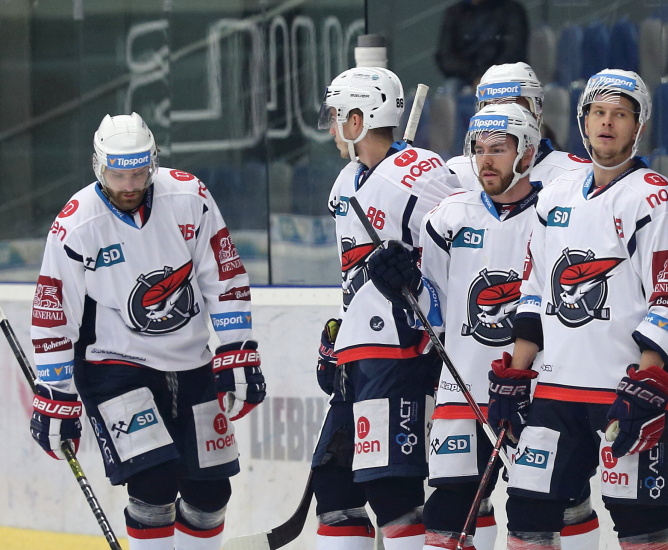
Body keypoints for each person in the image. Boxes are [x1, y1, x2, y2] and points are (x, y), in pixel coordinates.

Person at [366, 103, 601, 550]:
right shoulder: (449, 216)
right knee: (446, 515)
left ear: (527, 152)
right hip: (464, 388)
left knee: (544, 513)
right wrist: (405, 285)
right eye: (478, 149)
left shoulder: (558, 212)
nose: (485, 160)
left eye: (499, 148)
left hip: (538, 392)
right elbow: (434, 308)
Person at [488, 69, 668, 549]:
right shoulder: (555, 196)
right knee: (526, 510)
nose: (607, 123)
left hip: (624, 393)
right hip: (555, 392)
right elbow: (535, 290)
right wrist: (517, 372)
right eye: (599, 112)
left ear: (638, 126)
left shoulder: (655, 197)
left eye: (620, 115)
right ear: (583, 121)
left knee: (641, 522)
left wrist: (648, 380)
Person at [28, 112, 263, 549]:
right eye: (118, 175)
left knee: (211, 494)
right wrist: (55, 393)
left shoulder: (190, 196)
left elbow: (223, 275)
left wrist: (237, 351)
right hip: (114, 365)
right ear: (99, 167)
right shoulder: (76, 223)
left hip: (192, 362)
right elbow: (54, 312)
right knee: (154, 482)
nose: (129, 185)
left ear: (152, 163)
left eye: (139, 173)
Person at [312, 66, 460, 550]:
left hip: (402, 353)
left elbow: (464, 256)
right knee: (334, 488)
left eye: (337, 118)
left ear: (357, 121)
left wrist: (416, 278)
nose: (333, 129)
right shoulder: (344, 183)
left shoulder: (424, 174)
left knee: (391, 492)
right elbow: (352, 278)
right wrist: (338, 336)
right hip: (358, 355)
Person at [444, 62, 591, 193]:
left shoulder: (576, 173)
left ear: (537, 111)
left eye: (514, 105)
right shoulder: (456, 172)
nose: (506, 114)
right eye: (493, 106)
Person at [435, 0, 530, 88]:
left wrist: (487, 77)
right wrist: (474, 77)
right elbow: (446, 56)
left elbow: (513, 51)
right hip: (464, 79)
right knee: (451, 88)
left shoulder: (511, 10)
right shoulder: (455, 13)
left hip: (505, 77)